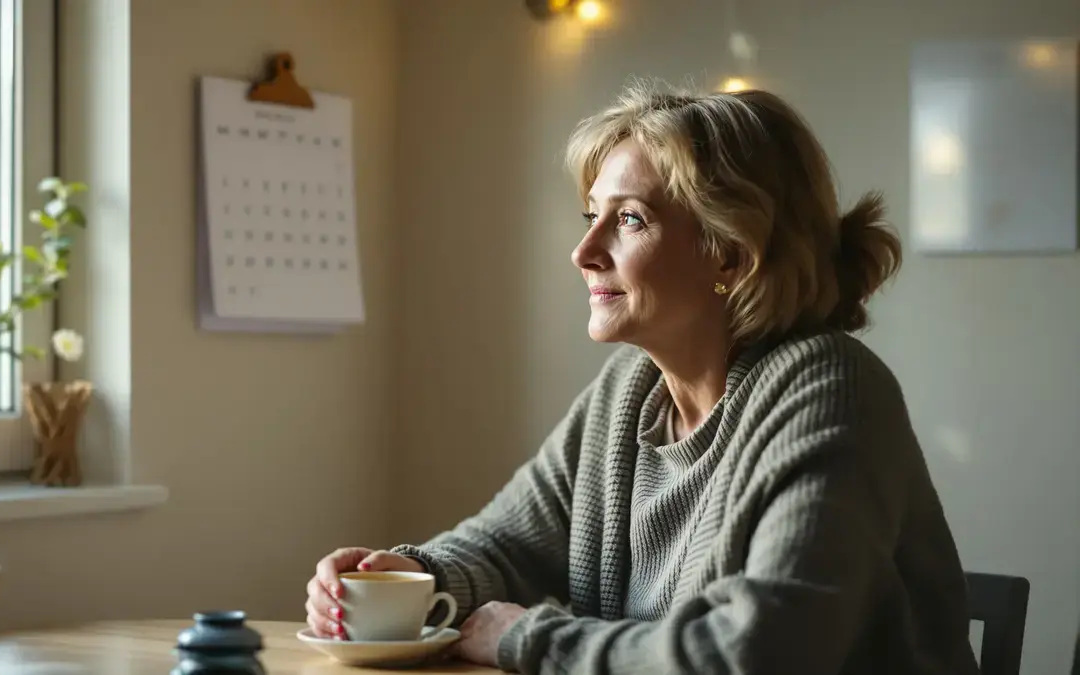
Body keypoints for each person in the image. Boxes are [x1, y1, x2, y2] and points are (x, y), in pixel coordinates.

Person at [305, 82, 980, 675]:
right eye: (589, 215)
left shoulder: (829, 387)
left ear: (733, 255)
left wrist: (528, 638)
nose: (584, 251)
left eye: (628, 218)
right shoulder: (628, 392)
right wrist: (411, 575)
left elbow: (760, 653)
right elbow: (507, 542)